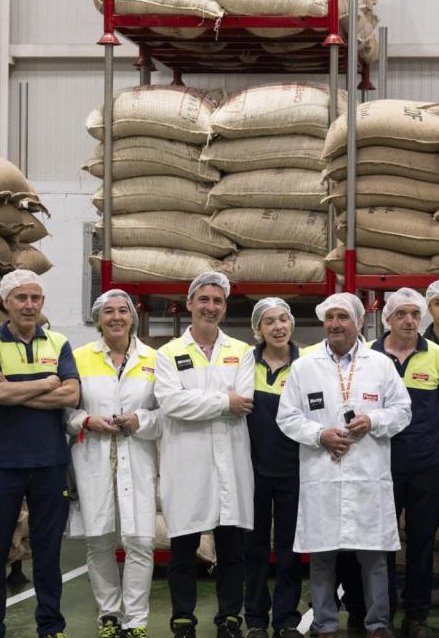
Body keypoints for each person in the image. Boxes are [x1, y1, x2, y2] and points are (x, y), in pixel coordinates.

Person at [279, 293, 413, 638]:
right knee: (322, 556)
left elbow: (402, 410)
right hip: (322, 472)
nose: (335, 324)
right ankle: (324, 625)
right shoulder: (304, 366)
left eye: (343, 317)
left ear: (357, 323)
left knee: (374, 556)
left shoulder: (379, 364)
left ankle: (377, 624)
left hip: (367, 473)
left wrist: (373, 420)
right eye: (330, 318)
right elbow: (288, 416)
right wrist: (319, 434)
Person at [0, 270, 79, 638]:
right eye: (21, 298)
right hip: (2, 464)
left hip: (50, 463)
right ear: (6, 302)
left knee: (48, 553)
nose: (29, 305)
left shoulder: (58, 343)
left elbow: (71, 396)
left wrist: (17, 391)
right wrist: (47, 383)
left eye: (35, 298)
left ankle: (50, 626)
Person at [155, 272, 256, 638]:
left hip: (231, 459)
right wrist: (222, 401)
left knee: (232, 550)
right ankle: (183, 619)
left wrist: (207, 401)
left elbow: (244, 401)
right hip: (187, 462)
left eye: (217, 301)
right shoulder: (169, 354)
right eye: (204, 300)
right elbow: (170, 403)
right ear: (190, 304)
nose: (210, 307)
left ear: (224, 307)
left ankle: (229, 618)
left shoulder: (241, 352)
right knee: (183, 547)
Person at [68, 290, 162, 638]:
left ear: (132, 318)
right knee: (99, 539)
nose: (117, 317)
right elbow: (64, 410)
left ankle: (135, 620)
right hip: (93, 455)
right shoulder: (79, 358)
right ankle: (109, 614)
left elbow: (166, 412)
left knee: (139, 540)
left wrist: (141, 421)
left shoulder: (153, 359)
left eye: (123, 311)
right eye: (108, 312)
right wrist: (86, 422)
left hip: (136, 455)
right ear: (98, 319)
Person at [376, 287, 439, 638]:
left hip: (426, 464)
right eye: (401, 314)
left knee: (422, 542)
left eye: (415, 315)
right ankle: (384, 615)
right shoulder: (371, 354)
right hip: (380, 465)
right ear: (387, 318)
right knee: (383, 543)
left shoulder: (435, 355)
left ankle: (416, 616)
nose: (409, 320)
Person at [244, 298, 304, 638]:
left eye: (284, 319)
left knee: (289, 550)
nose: (278, 327)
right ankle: (254, 619)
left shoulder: (306, 363)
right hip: (252, 470)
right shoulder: (243, 364)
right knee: (253, 549)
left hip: (294, 470)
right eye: (270, 322)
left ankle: (285, 619)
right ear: (259, 330)